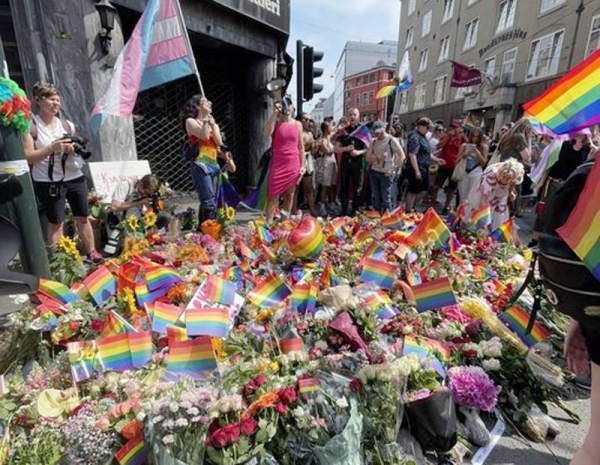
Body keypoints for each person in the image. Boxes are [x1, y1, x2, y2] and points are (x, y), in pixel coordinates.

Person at [22, 82, 102, 262]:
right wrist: (52, 148)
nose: (56, 104)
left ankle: (92, 253)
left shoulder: (67, 126)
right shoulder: (30, 127)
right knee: (56, 222)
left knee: (82, 217)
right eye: (51, 99)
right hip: (48, 180)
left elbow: (76, 148)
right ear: (37, 100)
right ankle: (59, 262)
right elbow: (28, 157)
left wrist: (72, 149)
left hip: (74, 177)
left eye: (58, 100)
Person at [181, 95, 232, 226]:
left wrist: (213, 124)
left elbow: (219, 142)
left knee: (213, 199)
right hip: (200, 163)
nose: (210, 102)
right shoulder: (190, 121)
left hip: (213, 163)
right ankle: (210, 229)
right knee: (208, 200)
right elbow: (203, 136)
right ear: (198, 106)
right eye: (205, 101)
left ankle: (204, 228)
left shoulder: (211, 122)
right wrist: (204, 120)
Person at [104, 174, 168, 255]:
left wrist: (152, 205)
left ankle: (151, 240)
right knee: (118, 253)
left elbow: (151, 213)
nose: (145, 195)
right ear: (140, 184)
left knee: (165, 217)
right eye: (144, 192)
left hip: (138, 222)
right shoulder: (125, 186)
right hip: (120, 222)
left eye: (148, 194)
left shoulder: (146, 193)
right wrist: (139, 202)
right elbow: (114, 207)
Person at [263, 96, 303, 224]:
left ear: (292, 107)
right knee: (272, 196)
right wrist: (274, 114)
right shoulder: (276, 122)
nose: (286, 108)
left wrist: (303, 166)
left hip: (293, 164)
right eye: (282, 106)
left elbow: (301, 147)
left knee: (289, 196)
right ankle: (268, 225)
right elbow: (266, 133)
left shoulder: (298, 124)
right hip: (278, 164)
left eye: (288, 105)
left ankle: (284, 225)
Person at [464, 159, 524, 230]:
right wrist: (486, 221)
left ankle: (496, 235)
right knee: (478, 212)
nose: (506, 180)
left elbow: (512, 185)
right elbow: (483, 200)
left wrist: (511, 192)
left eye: (509, 178)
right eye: (504, 177)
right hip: (487, 193)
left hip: (501, 194)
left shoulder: (516, 175)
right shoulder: (491, 175)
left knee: (500, 214)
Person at [405, 117, 445, 212]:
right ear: (421, 126)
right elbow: (412, 154)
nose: (429, 130)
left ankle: (412, 208)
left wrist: (437, 159)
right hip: (417, 167)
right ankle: (408, 210)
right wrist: (416, 170)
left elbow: (427, 153)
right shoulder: (415, 137)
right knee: (413, 190)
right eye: (428, 128)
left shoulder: (423, 137)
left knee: (424, 189)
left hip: (424, 167)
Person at [366, 121, 405, 214]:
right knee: (376, 197)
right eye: (375, 132)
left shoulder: (392, 140)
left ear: (384, 129)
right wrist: (379, 157)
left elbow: (402, 156)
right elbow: (368, 157)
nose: (377, 134)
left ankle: (387, 217)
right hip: (374, 171)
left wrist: (392, 169)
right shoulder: (374, 141)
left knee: (386, 198)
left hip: (386, 172)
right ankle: (377, 217)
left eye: (379, 132)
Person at [336, 108, 367, 216]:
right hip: (345, 163)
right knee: (344, 186)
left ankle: (355, 210)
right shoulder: (343, 131)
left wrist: (358, 152)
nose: (352, 117)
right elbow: (336, 149)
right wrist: (345, 149)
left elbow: (369, 148)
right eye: (350, 115)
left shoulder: (363, 130)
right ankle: (344, 211)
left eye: (354, 114)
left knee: (357, 187)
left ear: (358, 116)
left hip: (357, 163)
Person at [430, 121, 465, 213]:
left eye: (455, 127)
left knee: (451, 189)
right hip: (443, 166)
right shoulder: (446, 136)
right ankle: (431, 206)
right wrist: (448, 137)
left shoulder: (462, 138)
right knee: (436, 187)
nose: (453, 129)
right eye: (452, 127)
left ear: (460, 128)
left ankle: (446, 206)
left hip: (454, 167)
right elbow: (439, 146)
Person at [456, 128, 489, 204]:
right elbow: (457, 160)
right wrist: (465, 154)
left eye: (477, 137)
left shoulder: (484, 147)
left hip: (476, 171)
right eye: (473, 136)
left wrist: (477, 152)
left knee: (473, 196)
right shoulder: (464, 145)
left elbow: (484, 163)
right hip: (464, 171)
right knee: (462, 196)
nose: (475, 138)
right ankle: (461, 213)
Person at [314, 120, 337, 216]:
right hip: (326, 165)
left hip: (331, 165)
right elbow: (328, 152)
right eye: (331, 126)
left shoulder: (328, 137)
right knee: (324, 186)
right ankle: (322, 207)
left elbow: (335, 131)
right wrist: (336, 147)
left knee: (330, 186)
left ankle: (331, 204)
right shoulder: (323, 140)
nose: (332, 127)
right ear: (327, 129)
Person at [296, 113, 316, 216]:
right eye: (305, 119)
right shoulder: (295, 132)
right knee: (294, 189)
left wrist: (315, 145)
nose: (307, 122)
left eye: (309, 120)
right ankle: (292, 212)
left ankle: (312, 212)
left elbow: (313, 152)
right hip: (296, 161)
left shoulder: (310, 134)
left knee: (308, 188)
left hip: (307, 161)